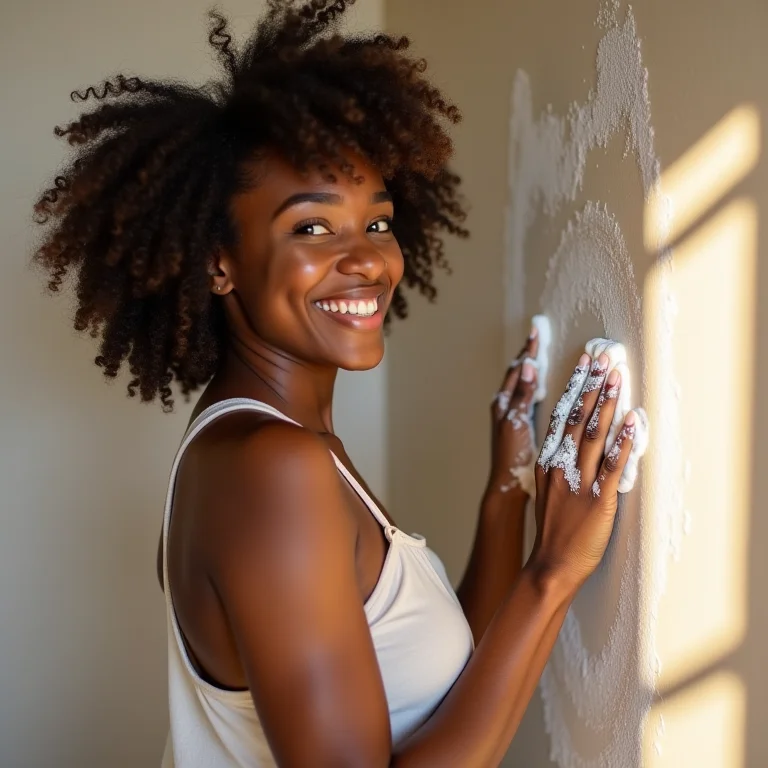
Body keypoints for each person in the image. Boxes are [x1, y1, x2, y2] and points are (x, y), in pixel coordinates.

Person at [31, 2, 641, 766]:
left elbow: (436, 683)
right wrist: (551, 575)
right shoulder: (270, 469)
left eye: (378, 223)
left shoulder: (270, 445)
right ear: (219, 261)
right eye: (312, 229)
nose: (367, 261)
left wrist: (507, 492)